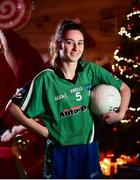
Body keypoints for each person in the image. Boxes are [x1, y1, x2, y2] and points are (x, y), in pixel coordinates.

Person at [5, 19, 131, 179]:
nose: (76, 48)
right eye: (70, 42)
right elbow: (12, 108)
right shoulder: (46, 79)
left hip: (88, 149)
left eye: (80, 43)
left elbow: (124, 89)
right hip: (60, 152)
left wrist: (120, 114)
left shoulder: (90, 70)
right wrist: (42, 130)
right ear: (59, 44)